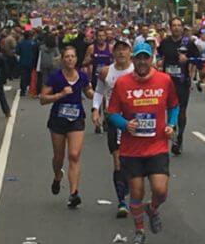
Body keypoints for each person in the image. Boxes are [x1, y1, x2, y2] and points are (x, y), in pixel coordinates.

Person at [107, 42, 179, 244]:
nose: (141, 61)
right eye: (138, 57)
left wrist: (171, 125)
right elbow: (111, 113)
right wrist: (124, 124)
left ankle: (153, 208)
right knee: (136, 191)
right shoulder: (122, 83)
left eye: (145, 57)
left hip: (156, 146)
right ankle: (139, 230)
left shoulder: (164, 80)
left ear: (151, 58)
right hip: (132, 150)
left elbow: (174, 106)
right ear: (133, 59)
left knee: (160, 190)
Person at [40, 46, 94, 208]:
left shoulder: (82, 76)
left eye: (73, 56)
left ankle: (73, 193)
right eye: (67, 57)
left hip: (76, 119)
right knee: (59, 157)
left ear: (76, 59)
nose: (70, 59)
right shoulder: (55, 78)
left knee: (74, 155)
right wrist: (60, 95)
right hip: (58, 120)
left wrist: (97, 94)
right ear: (62, 59)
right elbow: (43, 98)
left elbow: (88, 91)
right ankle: (58, 176)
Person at [91, 38, 136, 218]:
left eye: (125, 49)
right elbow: (99, 91)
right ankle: (121, 202)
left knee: (133, 161)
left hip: (134, 121)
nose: (121, 52)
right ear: (113, 52)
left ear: (130, 52)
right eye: (118, 49)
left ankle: (132, 190)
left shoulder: (137, 70)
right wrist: (95, 111)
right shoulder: (105, 72)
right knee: (117, 159)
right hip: (113, 119)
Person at [157, 17, 199, 155]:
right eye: (173, 25)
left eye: (179, 25)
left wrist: (188, 60)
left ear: (182, 28)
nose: (176, 28)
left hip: (182, 81)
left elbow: (199, 60)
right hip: (167, 81)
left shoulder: (188, 43)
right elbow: (158, 55)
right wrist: (158, 62)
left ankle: (179, 137)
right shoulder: (165, 43)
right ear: (170, 27)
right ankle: (172, 131)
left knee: (181, 110)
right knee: (170, 109)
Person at [16, 30, 36, 97]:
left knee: (23, 76)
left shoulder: (20, 43)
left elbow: (17, 52)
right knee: (30, 75)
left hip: (23, 61)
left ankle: (23, 90)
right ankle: (28, 87)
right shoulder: (33, 43)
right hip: (31, 62)